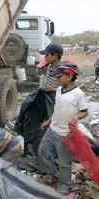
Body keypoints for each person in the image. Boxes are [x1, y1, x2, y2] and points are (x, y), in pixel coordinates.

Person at [38, 62, 88, 194]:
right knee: (43, 152)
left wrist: (77, 116)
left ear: (70, 76)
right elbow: (57, 110)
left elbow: (84, 111)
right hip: (52, 130)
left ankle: (65, 184)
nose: (56, 79)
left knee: (64, 162)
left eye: (59, 77)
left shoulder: (78, 94)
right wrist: (48, 121)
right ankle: (51, 174)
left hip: (65, 135)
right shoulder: (59, 90)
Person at [15, 44, 63, 155]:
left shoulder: (62, 70)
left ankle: (51, 152)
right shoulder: (50, 67)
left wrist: (52, 89)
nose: (45, 58)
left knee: (52, 126)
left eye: (47, 55)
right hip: (46, 99)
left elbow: (66, 90)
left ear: (55, 56)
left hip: (55, 101)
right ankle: (37, 148)